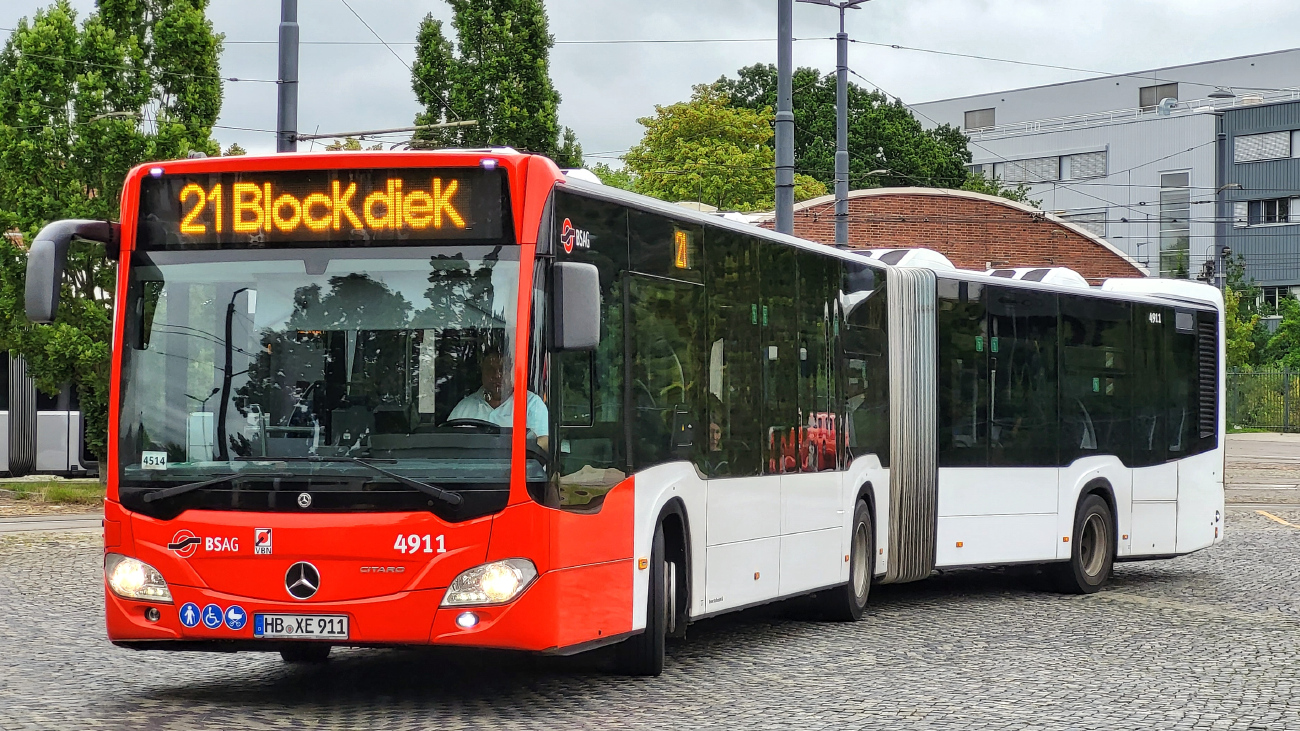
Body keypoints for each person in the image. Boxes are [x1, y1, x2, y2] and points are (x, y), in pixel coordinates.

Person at [448, 349, 549, 447]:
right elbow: (448, 443)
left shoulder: (532, 404)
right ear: (482, 372)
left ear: (512, 372)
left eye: (503, 369)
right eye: (490, 370)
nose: (497, 375)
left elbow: (544, 443)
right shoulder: (464, 407)